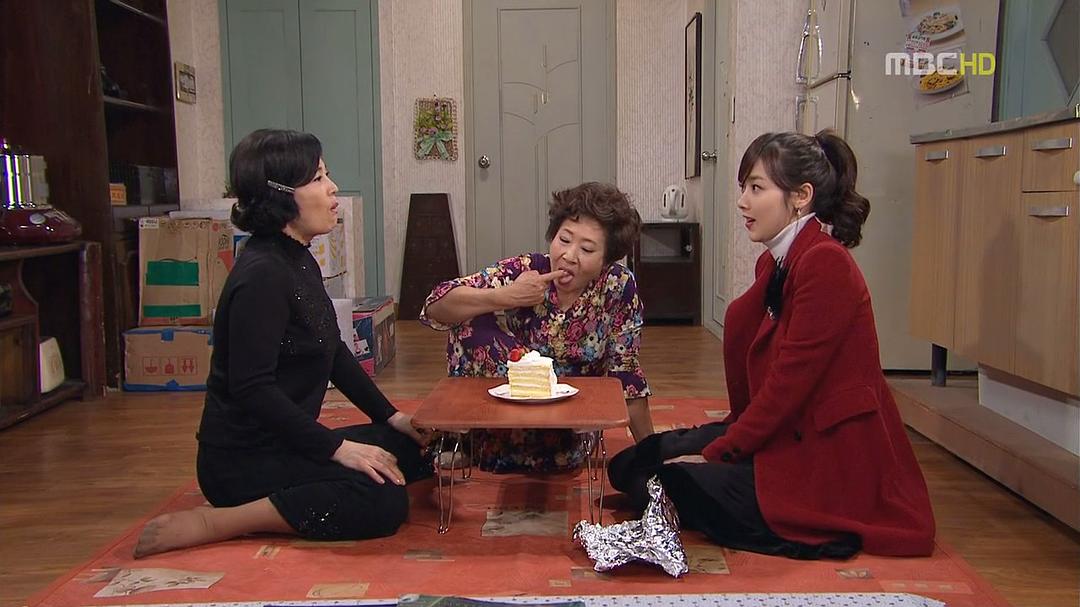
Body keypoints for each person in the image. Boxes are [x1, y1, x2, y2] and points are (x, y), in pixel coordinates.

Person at [608, 130, 935, 558]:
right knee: (628, 465)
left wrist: (720, 452)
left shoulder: (826, 264)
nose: (742, 202)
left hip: (825, 455)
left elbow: (787, 388)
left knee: (657, 481)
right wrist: (718, 440)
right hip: (786, 432)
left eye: (756, 188)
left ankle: (800, 524)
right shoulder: (778, 260)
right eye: (743, 188)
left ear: (801, 196)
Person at [134, 129, 430, 558]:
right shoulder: (262, 275)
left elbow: (332, 349)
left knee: (414, 446)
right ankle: (223, 521)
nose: (332, 189)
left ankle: (323, 480)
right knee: (382, 500)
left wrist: (393, 416)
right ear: (280, 196)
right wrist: (336, 448)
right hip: (241, 462)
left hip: (288, 442)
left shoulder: (297, 256)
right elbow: (251, 388)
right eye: (317, 178)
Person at [421, 182, 654, 473]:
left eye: (586, 249)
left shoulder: (618, 286)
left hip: (567, 428)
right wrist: (507, 296)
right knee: (470, 318)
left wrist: (653, 455)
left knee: (562, 445)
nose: (569, 255)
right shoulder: (528, 269)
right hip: (510, 406)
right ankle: (467, 440)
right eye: (564, 239)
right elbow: (437, 305)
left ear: (606, 260)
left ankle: (492, 448)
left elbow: (627, 373)